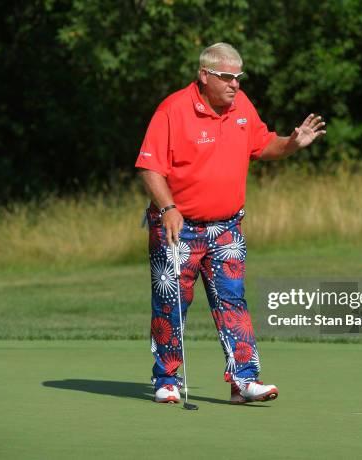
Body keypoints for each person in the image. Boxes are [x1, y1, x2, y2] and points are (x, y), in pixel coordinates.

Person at [135, 42, 326, 404]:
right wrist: (168, 207)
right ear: (204, 76)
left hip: (227, 229)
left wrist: (291, 144)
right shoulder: (172, 110)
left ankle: (244, 380)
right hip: (178, 226)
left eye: (238, 77)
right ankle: (167, 380)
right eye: (226, 77)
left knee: (233, 302)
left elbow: (263, 145)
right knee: (171, 303)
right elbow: (150, 167)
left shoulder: (242, 107)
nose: (234, 84)